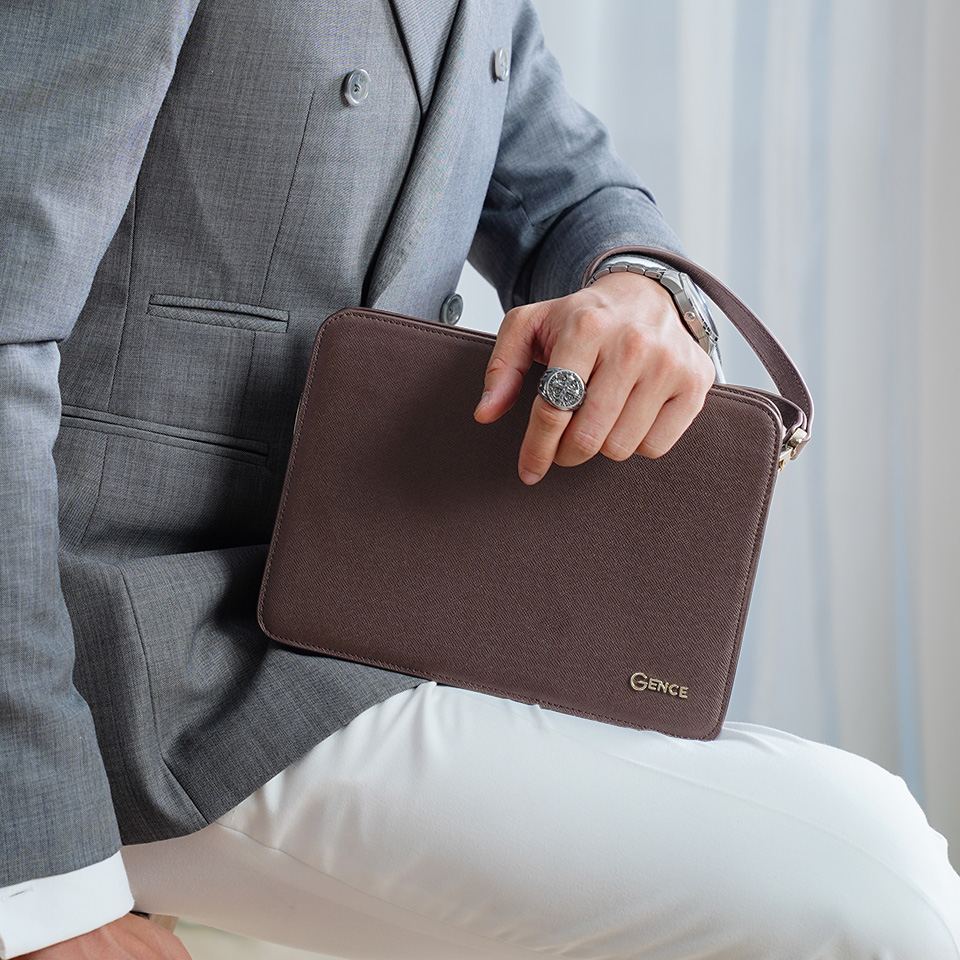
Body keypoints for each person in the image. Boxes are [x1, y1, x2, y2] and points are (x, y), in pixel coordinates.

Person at [1, 2, 958, 958]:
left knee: (874, 837)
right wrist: (43, 892)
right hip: (133, 667)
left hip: (372, 613)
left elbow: (562, 185)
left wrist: (642, 287)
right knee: (874, 889)